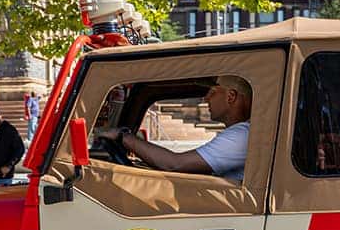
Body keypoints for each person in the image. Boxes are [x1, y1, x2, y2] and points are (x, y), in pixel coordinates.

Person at [96, 75, 252, 182]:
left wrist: (124, 136)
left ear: (231, 96)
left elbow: (174, 164)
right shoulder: (242, 133)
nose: (206, 98)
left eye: (212, 92)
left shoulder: (241, 136)